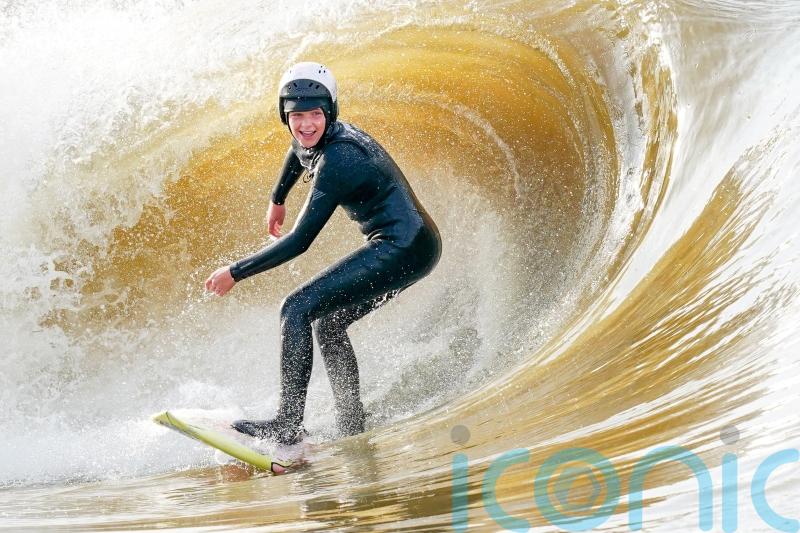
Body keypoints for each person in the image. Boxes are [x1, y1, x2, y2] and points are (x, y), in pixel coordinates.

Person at [204, 62, 442, 445]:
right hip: (413, 242)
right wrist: (277, 198)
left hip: (405, 248)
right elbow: (297, 149)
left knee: (295, 308)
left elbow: (300, 241)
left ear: (330, 112)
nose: (306, 125)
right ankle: (352, 423)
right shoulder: (313, 137)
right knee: (329, 325)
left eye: (315, 114)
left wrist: (236, 271)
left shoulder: (340, 159)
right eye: (296, 115)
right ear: (286, 116)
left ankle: (288, 423)